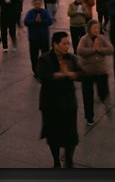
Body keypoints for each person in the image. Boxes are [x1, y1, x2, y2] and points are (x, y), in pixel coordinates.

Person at [38, 31, 82, 168]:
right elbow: (42, 77)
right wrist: (58, 75)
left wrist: (72, 74)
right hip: (50, 103)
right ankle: (56, 161)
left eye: (68, 43)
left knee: (71, 135)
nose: (67, 46)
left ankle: (69, 159)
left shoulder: (71, 58)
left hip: (68, 102)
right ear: (55, 44)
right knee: (53, 135)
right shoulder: (45, 58)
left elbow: (82, 74)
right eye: (64, 44)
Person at [77, 20, 114, 125]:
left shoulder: (101, 38)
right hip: (87, 72)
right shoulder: (84, 39)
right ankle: (89, 117)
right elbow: (79, 51)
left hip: (101, 71)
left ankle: (106, 104)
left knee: (104, 92)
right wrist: (93, 50)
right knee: (87, 95)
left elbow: (111, 49)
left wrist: (100, 50)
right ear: (89, 29)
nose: (96, 30)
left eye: (98, 28)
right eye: (94, 28)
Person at [24, 0, 53, 77]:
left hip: (44, 38)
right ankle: (36, 71)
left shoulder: (45, 12)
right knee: (34, 56)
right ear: (33, 4)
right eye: (36, 4)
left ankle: (44, 70)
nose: (37, 5)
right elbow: (26, 22)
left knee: (45, 55)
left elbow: (50, 21)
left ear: (41, 4)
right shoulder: (30, 12)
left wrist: (41, 21)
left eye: (39, 4)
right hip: (34, 38)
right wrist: (35, 21)